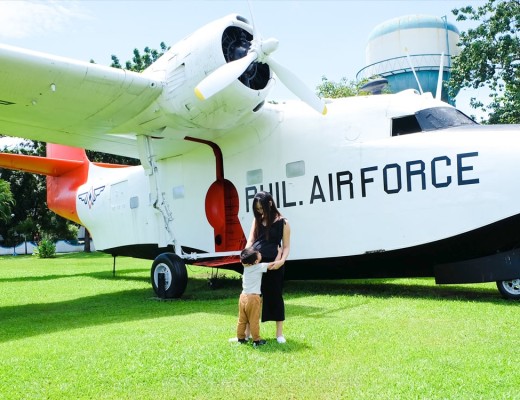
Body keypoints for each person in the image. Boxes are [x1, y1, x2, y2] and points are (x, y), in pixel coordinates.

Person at [246, 191, 291, 344]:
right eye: (257, 209)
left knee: (275, 296)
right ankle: (246, 334)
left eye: (262, 208)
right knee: (251, 297)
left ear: (270, 204)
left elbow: (286, 247)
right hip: (256, 263)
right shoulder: (257, 220)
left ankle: (279, 334)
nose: (260, 211)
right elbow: (251, 240)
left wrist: (281, 261)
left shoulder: (283, 222)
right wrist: (246, 256)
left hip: (274, 264)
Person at [235, 247, 270, 347]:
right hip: (253, 298)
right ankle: (256, 340)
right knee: (254, 320)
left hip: (243, 297)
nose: (260, 252)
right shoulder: (259, 266)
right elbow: (274, 266)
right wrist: (282, 255)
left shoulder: (245, 266)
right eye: (258, 253)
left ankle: (241, 338)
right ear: (255, 261)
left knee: (242, 320)